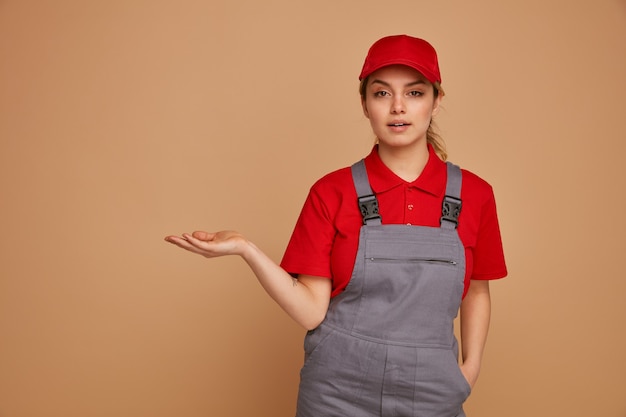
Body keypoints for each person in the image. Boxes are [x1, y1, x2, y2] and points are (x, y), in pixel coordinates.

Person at [165, 34, 507, 417]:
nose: (398, 107)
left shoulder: (475, 195)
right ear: (364, 104)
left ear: (436, 101)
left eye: (414, 93)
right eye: (381, 94)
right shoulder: (332, 192)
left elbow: (477, 290)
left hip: (434, 393)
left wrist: (470, 367)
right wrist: (247, 248)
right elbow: (312, 312)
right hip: (336, 395)